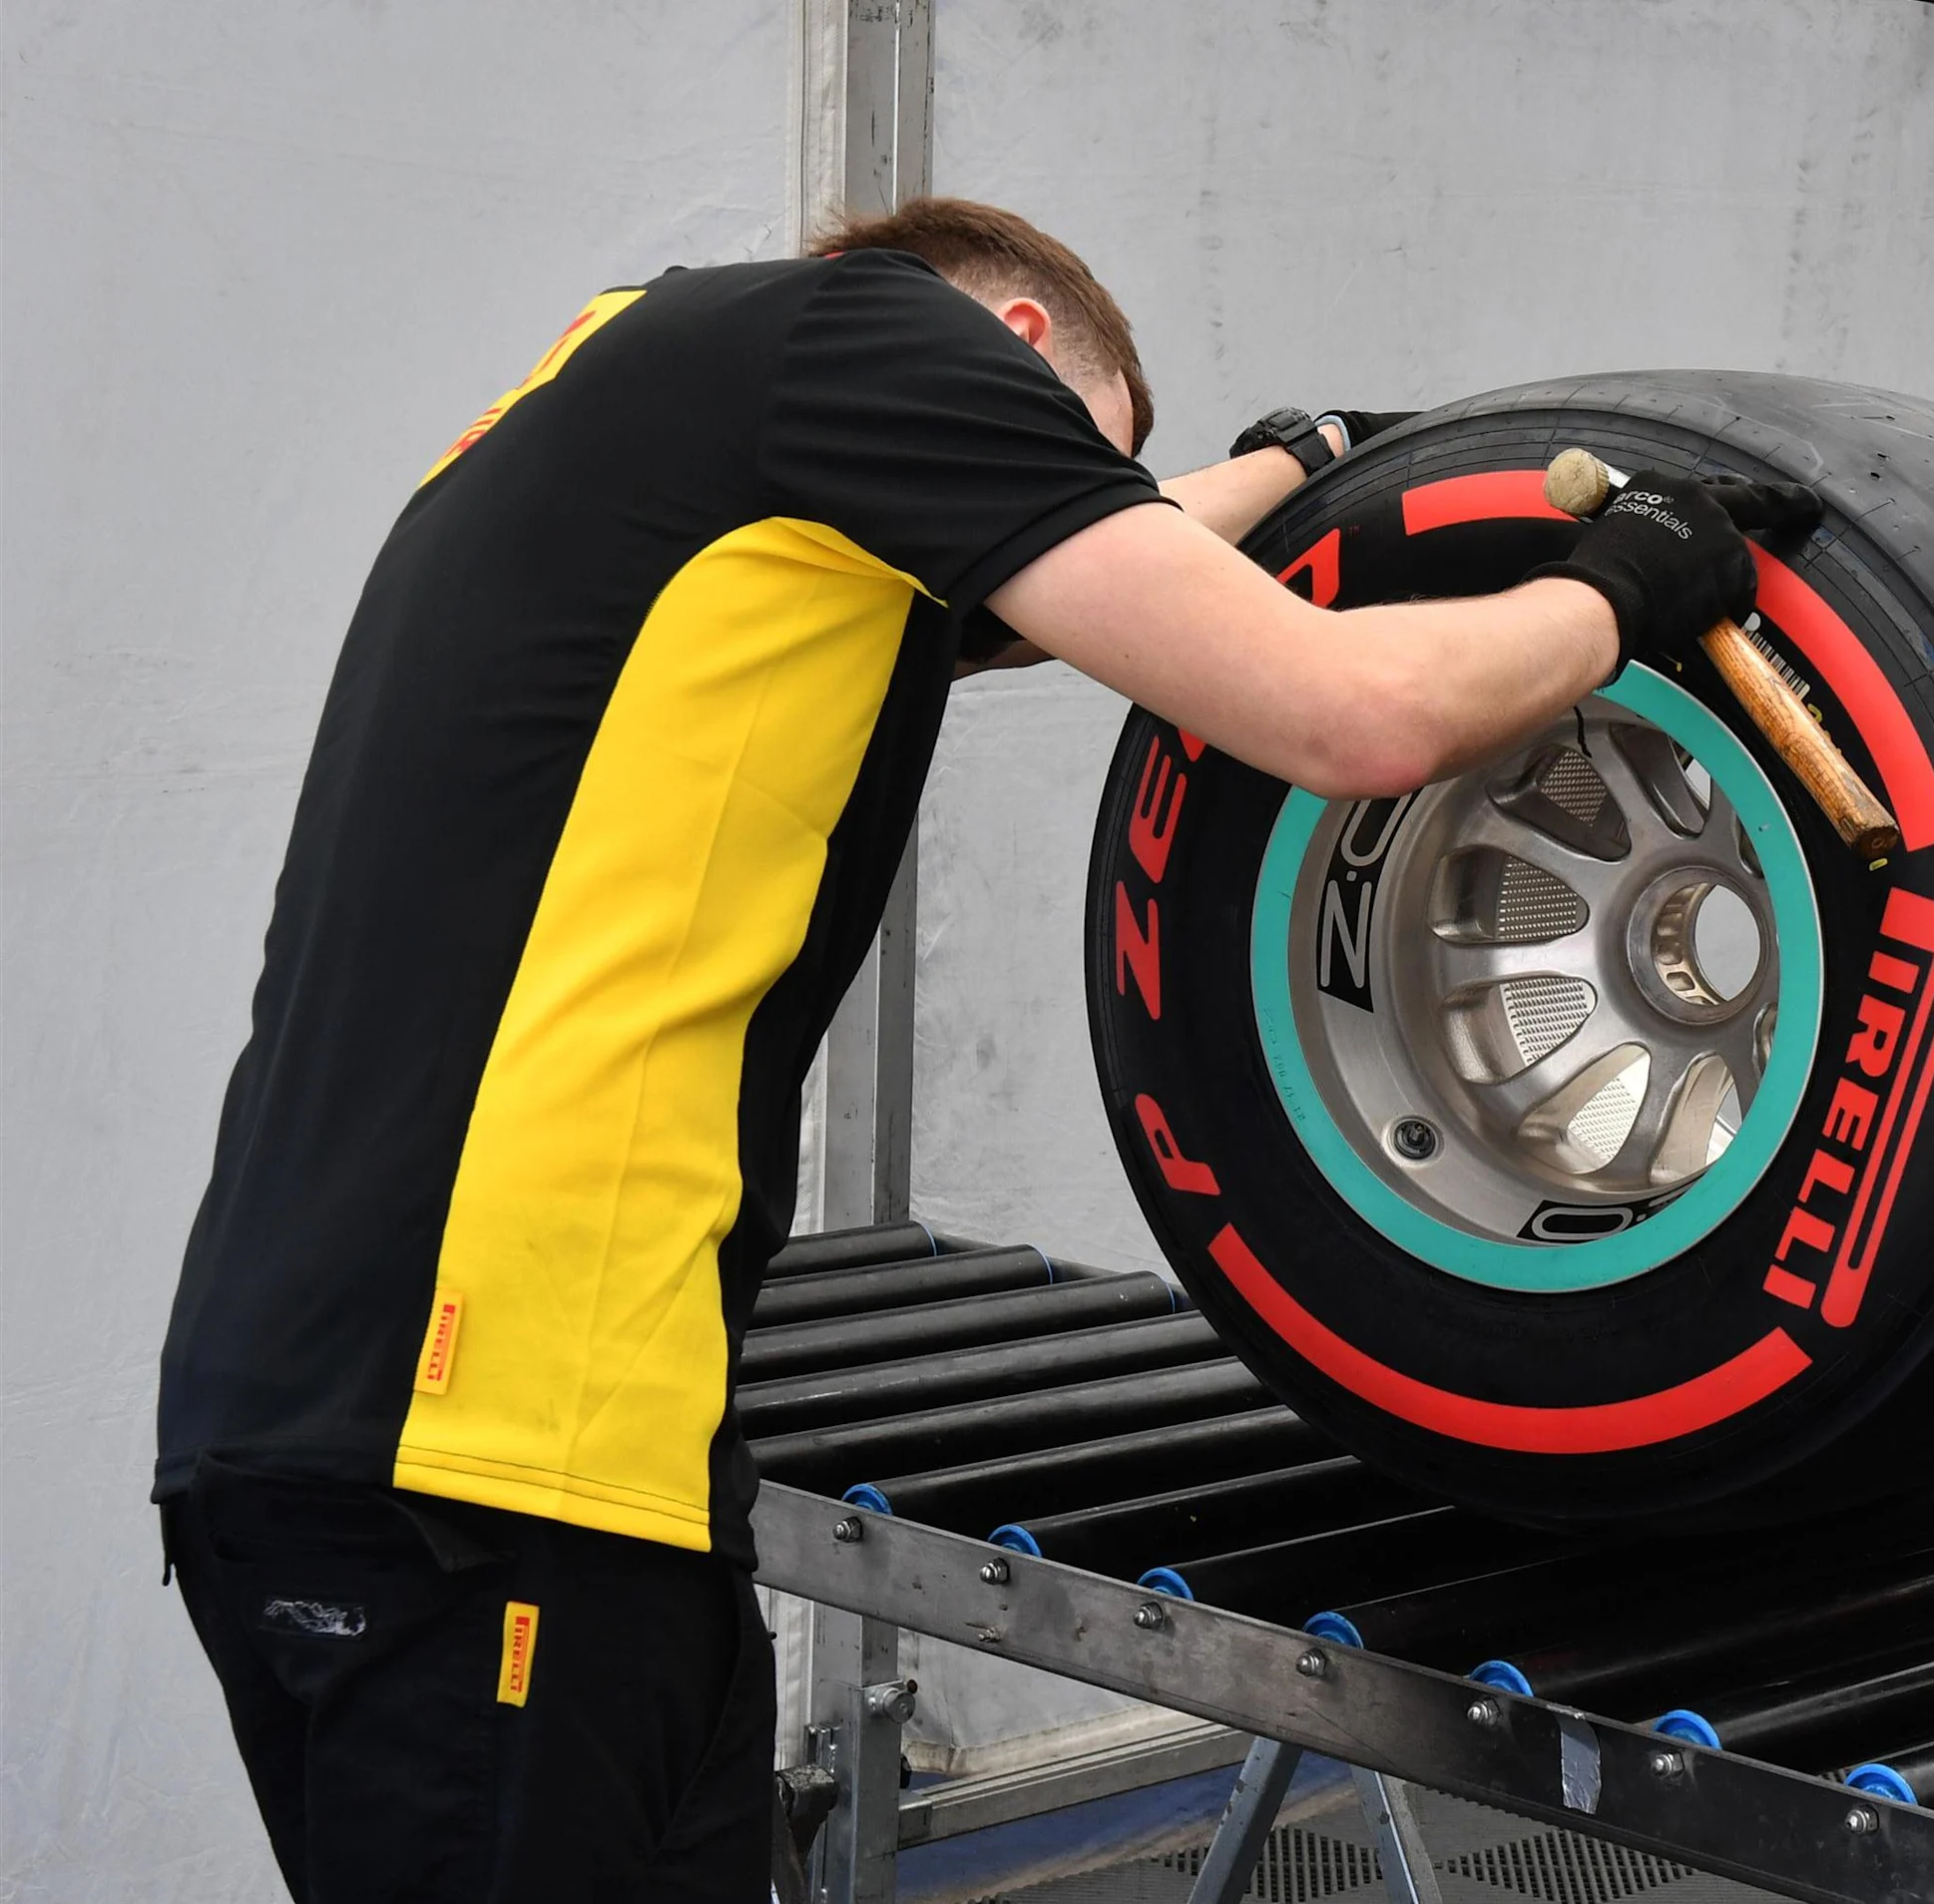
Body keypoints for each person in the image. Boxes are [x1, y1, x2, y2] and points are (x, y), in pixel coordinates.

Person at [153, 197, 1811, 1899]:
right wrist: (1623, 587)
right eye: (1067, 460)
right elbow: (1347, 714)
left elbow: (1008, 601)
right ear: (1008, 343)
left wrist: (1291, 460)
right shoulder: (866, 341)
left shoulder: (637, 401)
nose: (1069, 513)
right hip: (478, 1458)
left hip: (419, 1433)